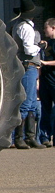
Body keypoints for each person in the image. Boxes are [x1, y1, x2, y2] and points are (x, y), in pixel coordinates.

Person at [11, 0, 46, 149]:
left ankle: (29, 137)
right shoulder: (26, 28)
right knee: (26, 103)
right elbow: (29, 50)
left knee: (30, 103)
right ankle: (19, 137)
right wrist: (40, 46)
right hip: (28, 65)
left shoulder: (20, 25)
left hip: (29, 66)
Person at [39, 17, 55, 147]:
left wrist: (46, 63)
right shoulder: (47, 43)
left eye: (46, 28)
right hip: (45, 79)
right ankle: (44, 136)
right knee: (46, 108)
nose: (44, 30)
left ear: (53, 28)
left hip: (54, 79)